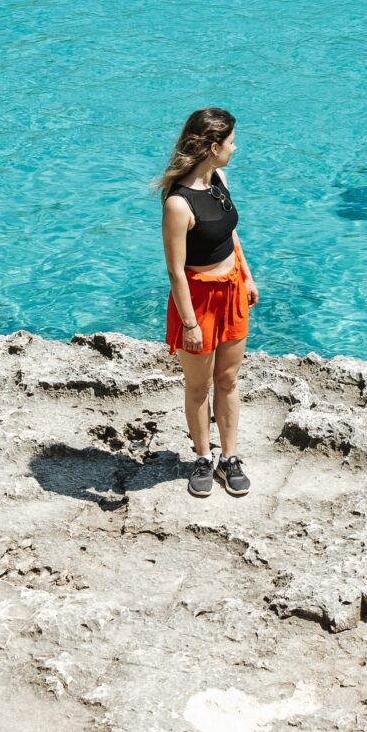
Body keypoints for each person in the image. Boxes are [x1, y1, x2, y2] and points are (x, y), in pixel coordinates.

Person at [157, 107, 257, 497]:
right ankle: (202, 456)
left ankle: (230, 457)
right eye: (231, 141)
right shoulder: (177, 204)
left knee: (228, 380)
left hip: (232, 290)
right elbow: (176, 271)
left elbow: (230, 236)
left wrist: (246, 276)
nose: (235, 147)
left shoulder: (220, 179)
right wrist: (191, 324)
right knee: (198, 387)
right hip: (196, 301)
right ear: (213, 146)